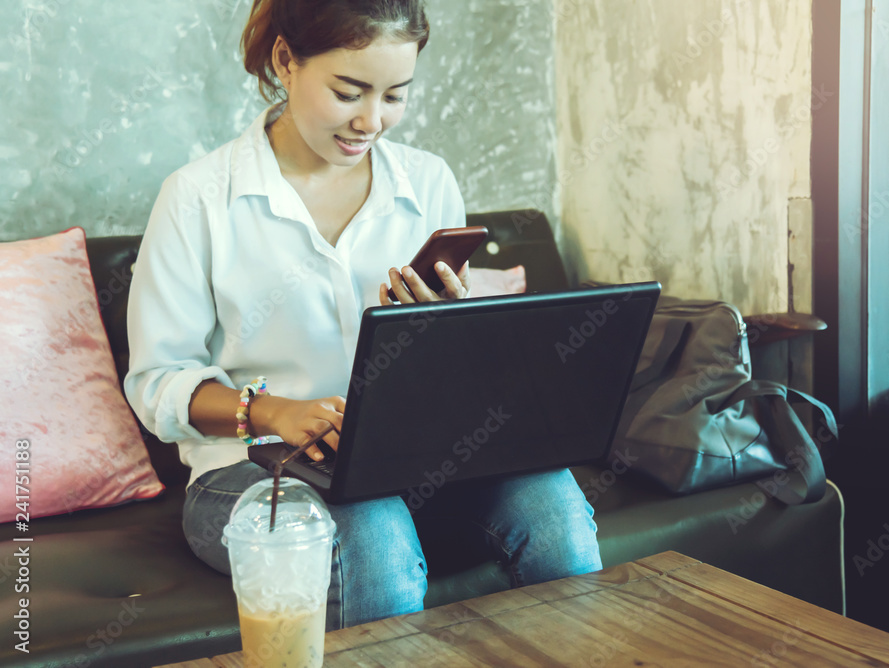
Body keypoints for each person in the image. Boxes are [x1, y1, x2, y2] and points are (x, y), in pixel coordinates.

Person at [124, 0, 602, 629]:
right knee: (372, 528)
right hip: (254, 470)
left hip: (415, 460)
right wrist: (276, 413)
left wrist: (445, 330)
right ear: (286, 61)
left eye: (395, 95)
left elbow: (463, 374)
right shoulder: (199, 199)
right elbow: (157, 382)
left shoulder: (428, 183)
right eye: (349, 91)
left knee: (555, 508)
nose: (371, 121)